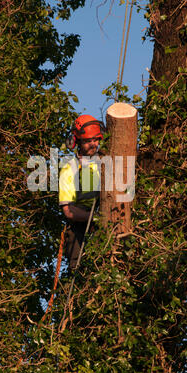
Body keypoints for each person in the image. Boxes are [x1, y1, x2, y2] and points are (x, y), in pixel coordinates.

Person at [59, 115, 104, 270]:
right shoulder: (69, 169)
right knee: (79, 272)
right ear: (77, 141)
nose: (93, 144)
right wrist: (93, 218)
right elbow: (68, 210)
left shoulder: (106, 161)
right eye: (87, 141)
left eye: (95, 139)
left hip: (104, 221)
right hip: (80, 227)